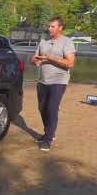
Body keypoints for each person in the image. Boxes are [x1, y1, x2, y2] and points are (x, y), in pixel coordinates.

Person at [30, 16, 76, 151]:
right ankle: (49, 132)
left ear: (60, 28)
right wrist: (36, 61)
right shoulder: (43, 42)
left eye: (52, 26)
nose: (49, 28)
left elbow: (70, 63)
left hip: (59, 81)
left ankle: (48, 139)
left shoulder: (66, 42)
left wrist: (50, 58)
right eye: (49, 26)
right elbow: (34, 58)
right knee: (42, 108)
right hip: (43, 80)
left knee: (51, 108)